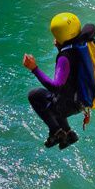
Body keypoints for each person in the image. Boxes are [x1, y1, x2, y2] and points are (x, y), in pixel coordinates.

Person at [23, 12, 84, 150]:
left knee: (34, 95)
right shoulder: (82, 48)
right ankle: (69, 133)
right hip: (81, 101)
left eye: (56, 37)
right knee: (53, 98)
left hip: (71, 104)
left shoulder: (65, 57)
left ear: (61, 38)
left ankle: (56, 131)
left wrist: (34, 68)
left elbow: (55, 87)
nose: (54, 40)